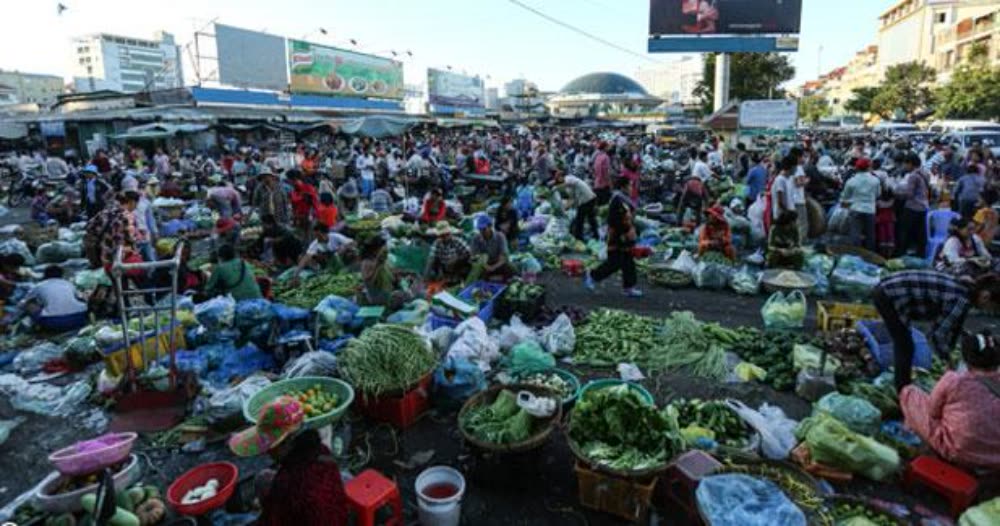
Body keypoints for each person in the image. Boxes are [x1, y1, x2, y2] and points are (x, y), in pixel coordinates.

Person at [873, 270, 1000, 392]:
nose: (988, 311)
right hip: (888, 294)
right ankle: (903, 392)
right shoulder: (961, 300)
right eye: (992, 307)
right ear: (985, 296)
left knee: (904, 342)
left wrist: (959, 342)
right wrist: (946, 358)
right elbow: (937, 335)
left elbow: (952, 324)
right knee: (904, 345)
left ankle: (904, 387)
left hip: (889, 287)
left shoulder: (966, 290)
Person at [229, 396, 347, 526]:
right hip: (336, 515)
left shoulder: (288, 483)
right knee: (263, 478)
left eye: (271, 446)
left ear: (285, 444)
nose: (267, 452)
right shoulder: (320, 451)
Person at [900, 331, 1000, 471]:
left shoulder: (954, 380)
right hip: (996, 457)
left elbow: (933, 412)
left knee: (909, 393)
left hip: (958, 451)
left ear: (966, 359)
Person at [585, 195, 640, 298]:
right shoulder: (617, 200)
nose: (630, 188)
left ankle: (629, 287)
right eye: (629, 185)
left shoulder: (623, 200)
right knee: (614, 263)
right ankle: (593, 275)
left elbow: (628, 217)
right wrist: (625, 233)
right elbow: (616, 221)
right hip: (617, 240)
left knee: (628, 264)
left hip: (625, 240)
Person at [83, 191, 140, 271]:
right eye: (136, 203)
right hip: (115, 258)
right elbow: (132, 239)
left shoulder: (106, 211)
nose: (136, 207)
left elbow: (89, 227)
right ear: (132, 202)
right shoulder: (128, 216)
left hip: (98, 254)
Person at [19, 266, 88, 331]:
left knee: (30, 304)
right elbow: (80, 297)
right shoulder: (68, 284)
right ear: (61, 275)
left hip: (53, 321)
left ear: (45, 275)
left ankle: (36, 326)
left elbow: (23, 303)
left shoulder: (39, 286)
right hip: (79, 317)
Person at [841, 157, 880, 252]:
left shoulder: (851, 181)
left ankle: (856, 254)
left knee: (855, 234)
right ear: (868, 167)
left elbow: (845, 197)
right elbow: (878, 194)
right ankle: (870, 254)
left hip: (855, 209)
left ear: (857, 168)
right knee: (870, 235)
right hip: (870, 209)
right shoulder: (875, 180)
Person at [895, 153, 931, 257]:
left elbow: (909, 194)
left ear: (910, 164)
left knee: (905, 231)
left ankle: (901, 253)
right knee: (920, 233)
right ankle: (921, 254)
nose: (904, 167)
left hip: (912, 207)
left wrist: (896, 193)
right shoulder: (925, 173)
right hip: (923, 206)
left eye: (905, 164)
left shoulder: (913, 176)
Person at [554, 170, 598, 241]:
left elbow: (571, 183)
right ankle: (595, 235)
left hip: (587, 198)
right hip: (586, 200)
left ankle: (579, 237)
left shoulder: (568, 178)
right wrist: (564, 208)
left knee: (580, 219)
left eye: (558, 178)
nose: (558, 181)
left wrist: (556, 188)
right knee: (590, 218)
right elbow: (572, 199)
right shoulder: (568, 187)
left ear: (562, 176)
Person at [470, 215, 514, 281]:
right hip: (485, 265)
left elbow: (504, 257)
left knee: (511, 270)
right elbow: (475, 257)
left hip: (498, 263)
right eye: (480, 229)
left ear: (490, 226)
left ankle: (497, 279)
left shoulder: (500, 237)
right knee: (478, 274)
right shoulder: (475, 239)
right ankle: (492, 279)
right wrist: (486, 266)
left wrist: (493, 267)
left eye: (484, 229)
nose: (482, 232)